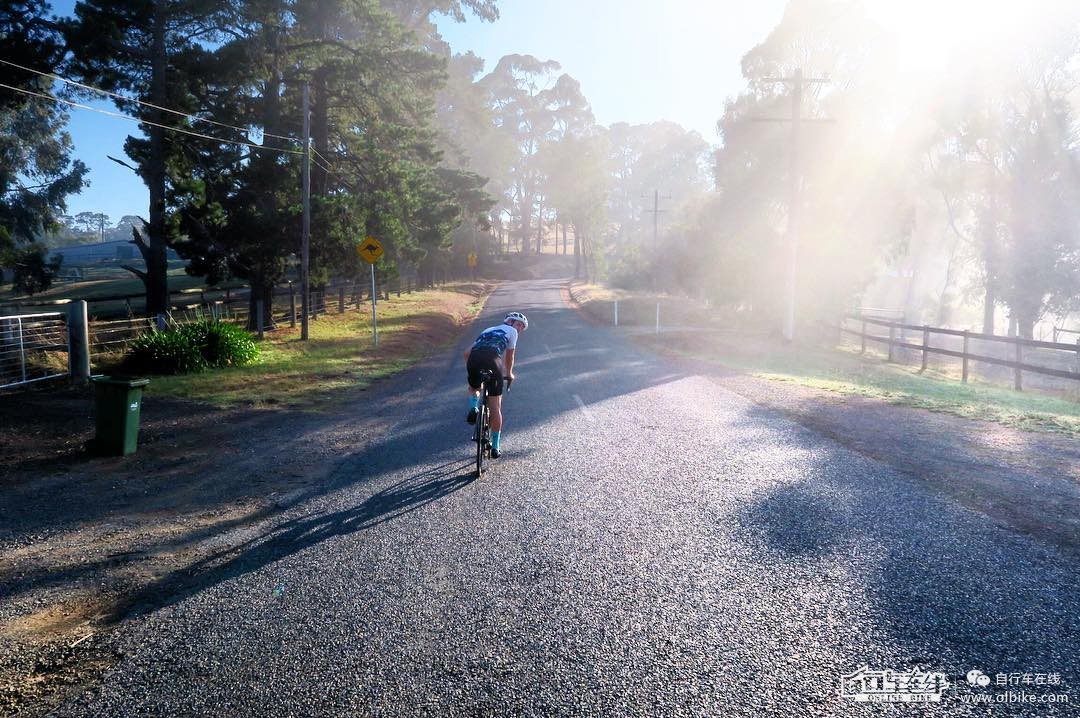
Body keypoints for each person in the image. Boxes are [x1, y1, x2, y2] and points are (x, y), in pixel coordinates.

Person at [464, 311, 528, 458]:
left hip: (474, 359)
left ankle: (474, 407)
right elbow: (510, 356)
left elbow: (466, 353)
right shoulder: (512, 332)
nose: (519, 329)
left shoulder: (487, 330)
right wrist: (509, 373)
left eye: (521, 328)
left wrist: (472, 369)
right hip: (493, 360)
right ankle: (495, 446)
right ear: (510, 322)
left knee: (474, 387)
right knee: (495, 406)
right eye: (519, 325)